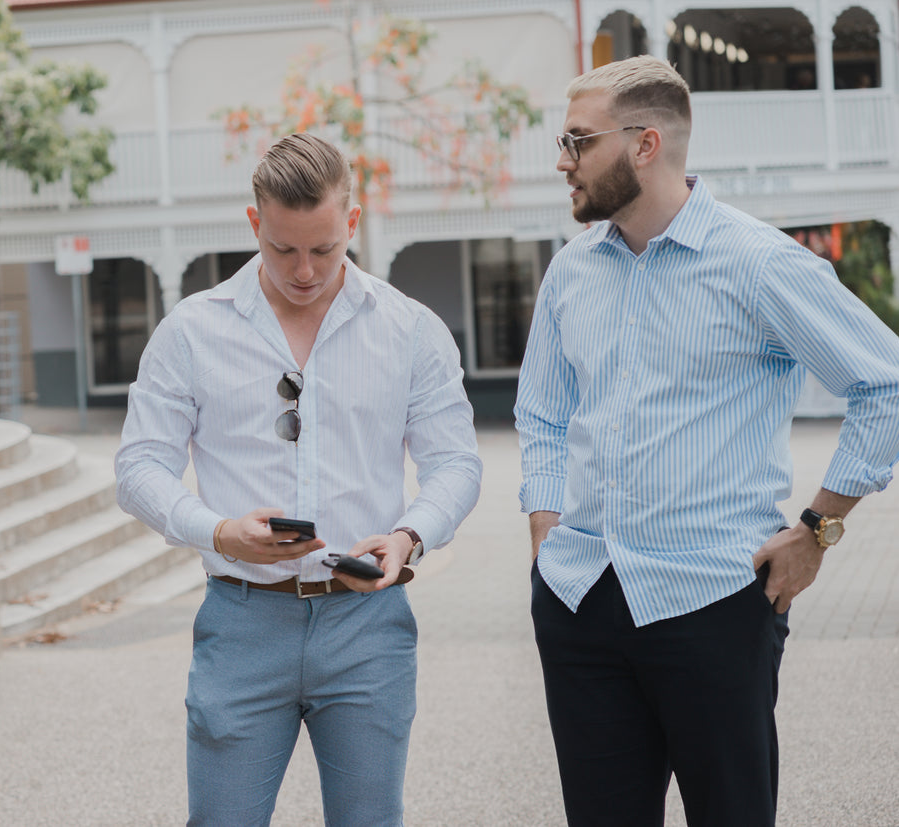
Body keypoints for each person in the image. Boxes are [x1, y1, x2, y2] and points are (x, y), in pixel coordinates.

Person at [516, 55, 899, 827]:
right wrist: (544, 531)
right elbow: (543, 416)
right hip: (580, 598)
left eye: (577, 141)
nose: (562, 161)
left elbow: (883, 384)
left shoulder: (757, 264)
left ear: (644, 144)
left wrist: (817, 531)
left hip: (714, 601)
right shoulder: (569, 274)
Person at [115, 132, 482, 826]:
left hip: (368, 622)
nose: (305, 270)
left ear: (352, 221)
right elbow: (137, 467)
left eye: (324, 247)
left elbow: (455, 462)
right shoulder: (191, 330)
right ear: (255, 223)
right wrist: (218, 530)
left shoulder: (410, 328)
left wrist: (409, 535)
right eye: (283, 248)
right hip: (241, 619)